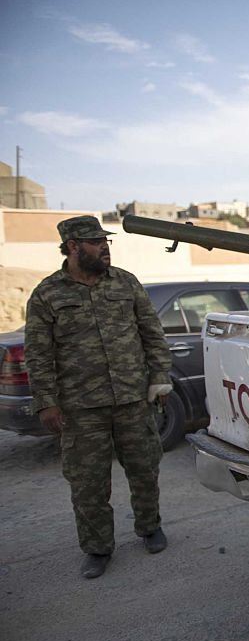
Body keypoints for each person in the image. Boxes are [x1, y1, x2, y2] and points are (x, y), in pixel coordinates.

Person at [24, 215, 173, 579]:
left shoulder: (125, 282)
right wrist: (46, 401)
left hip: (132, 399)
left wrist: (160, 377)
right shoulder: (48, 294)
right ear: (73, 247)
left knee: (144, 469)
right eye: (95, 242)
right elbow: (38, 353)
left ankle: (149, 526)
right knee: (87, 482)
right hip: (80, 407)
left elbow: (151, 333)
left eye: (105, 241)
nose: (104, 247)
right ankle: (97, 547)